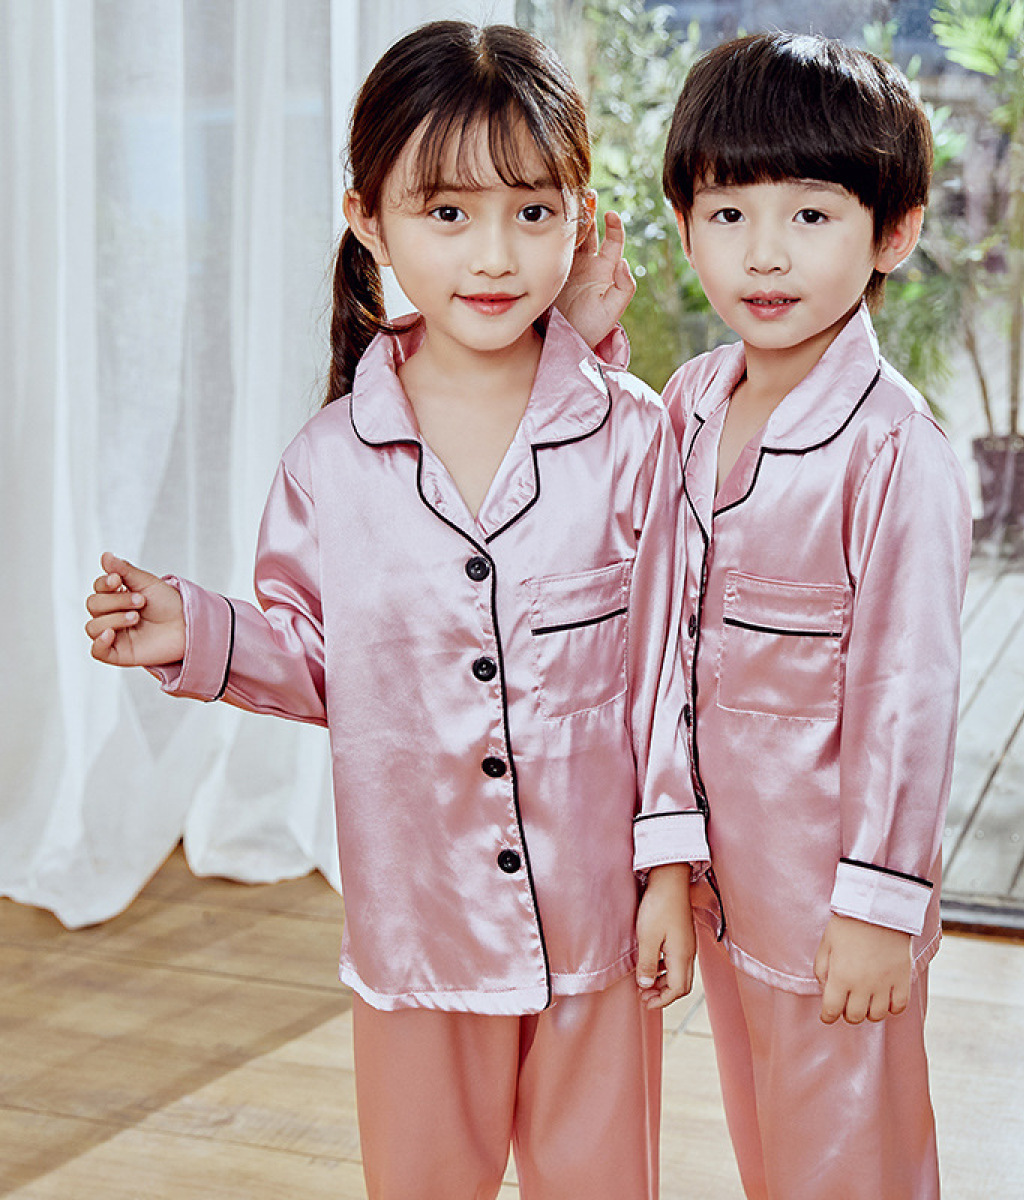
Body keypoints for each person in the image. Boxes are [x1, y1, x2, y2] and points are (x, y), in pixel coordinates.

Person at [83, 21, 706, 1200]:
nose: (495, 254)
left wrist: (669, 872)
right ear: (369, 220)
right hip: (419, 927)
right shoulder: (330, 462)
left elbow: (663, 673)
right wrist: (196, 632)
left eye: (532, 211)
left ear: (580, 218)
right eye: (448, 212)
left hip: (598, 926)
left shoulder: (632, 437)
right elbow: (323, 660)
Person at [583, 30, 972, 1200]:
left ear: (892, 233)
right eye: (728, 213)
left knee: (851, 1164)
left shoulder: (896, 452)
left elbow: (908, 701)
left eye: (810, 214)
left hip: (831, 903)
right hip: (722, 886)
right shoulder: (694, 398)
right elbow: (652, 627)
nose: (764, 253)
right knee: (769, 1151)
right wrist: (665, 865)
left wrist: (878, 907)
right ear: (683, 224)